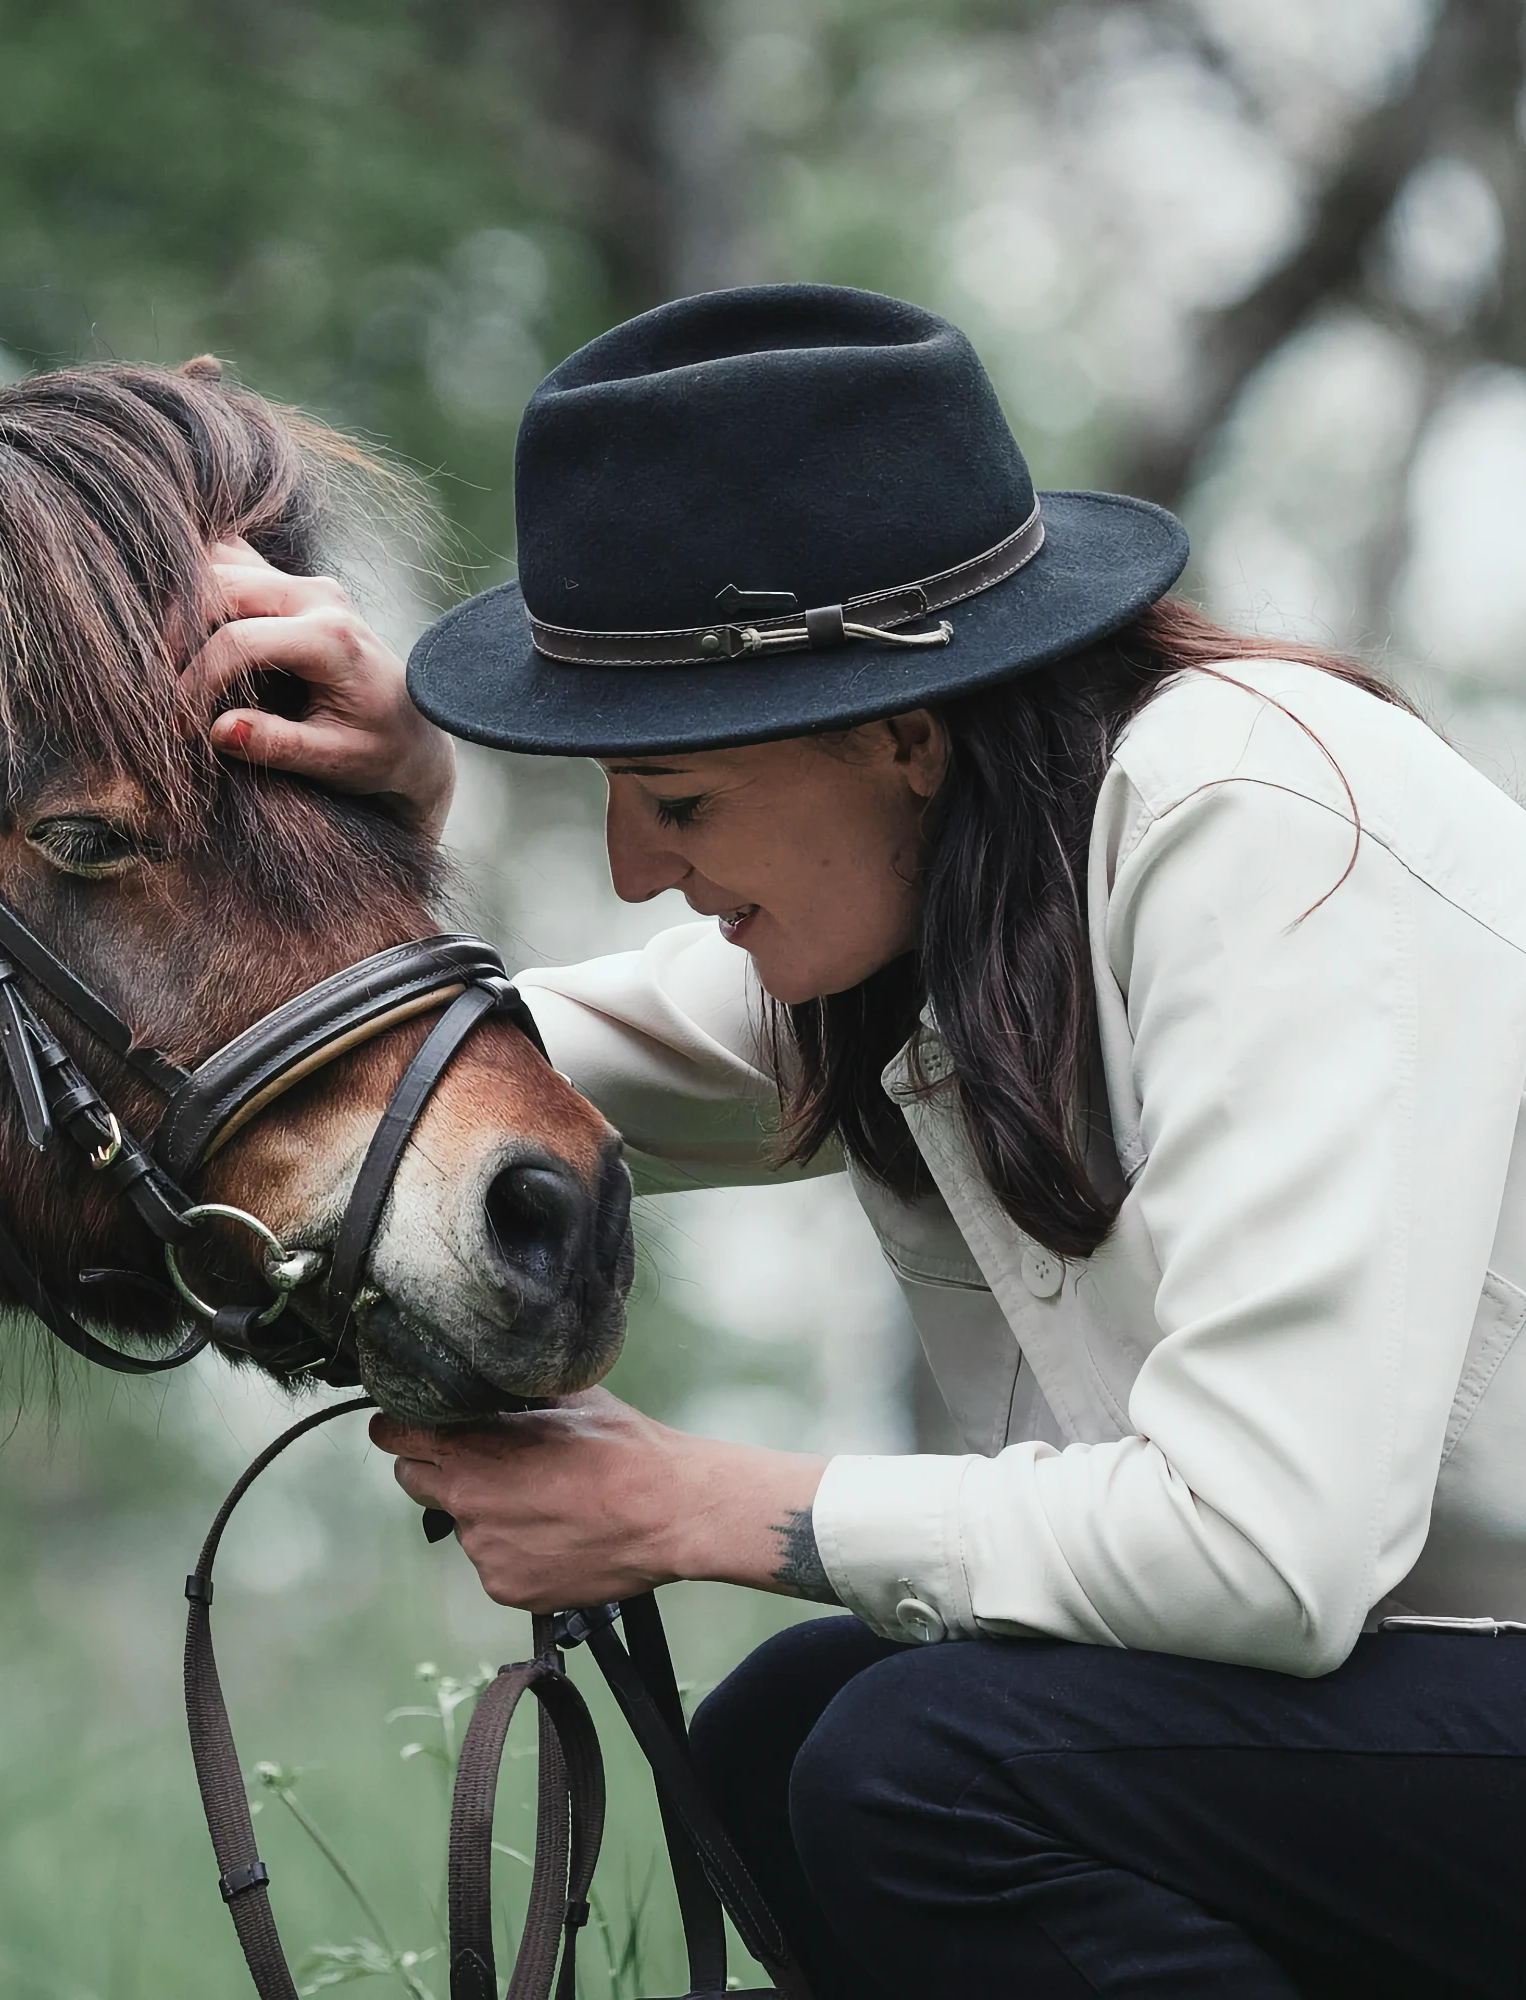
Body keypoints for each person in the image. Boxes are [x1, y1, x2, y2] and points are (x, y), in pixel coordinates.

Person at [186, 286, 1526, 1997]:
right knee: (785, 1740)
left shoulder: (1255, 831)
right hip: (1414, 1716)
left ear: (902, 739)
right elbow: (457, 1082)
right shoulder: (940, 901)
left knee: (919, 1765)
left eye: (675, 798)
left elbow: (1264, 1553)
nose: (627, 868)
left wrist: (682, 1503)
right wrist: (377, 826)